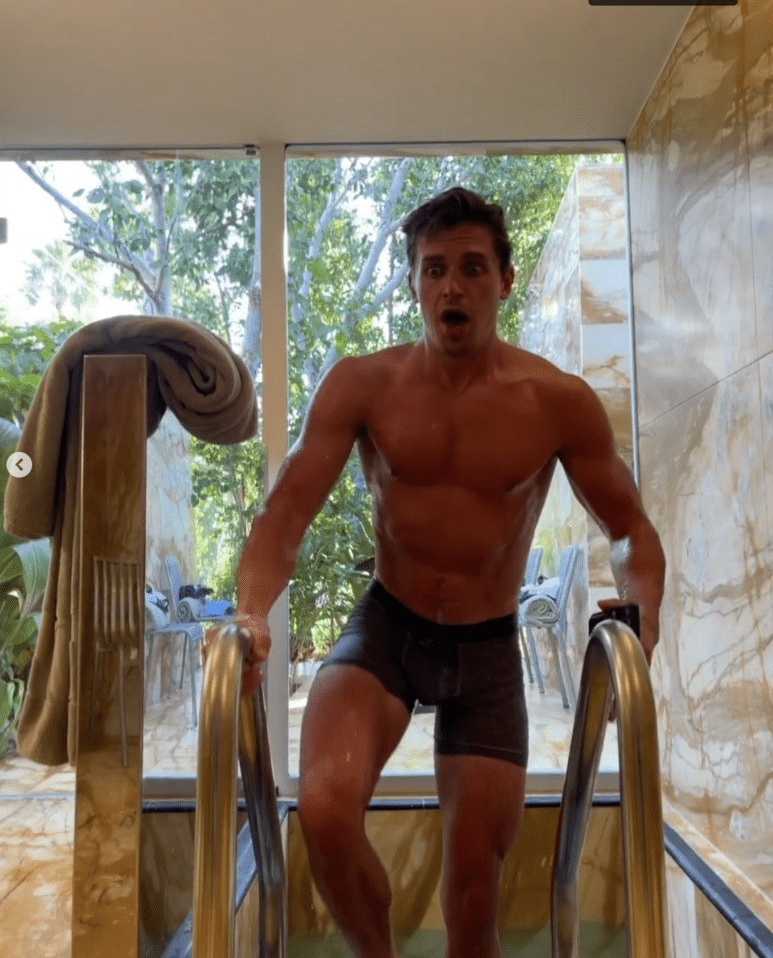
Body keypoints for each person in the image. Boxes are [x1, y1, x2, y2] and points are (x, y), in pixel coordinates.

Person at [209, 187, 666, 958]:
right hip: (388, 628)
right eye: (433, 269)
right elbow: (282, 518)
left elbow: (629, 529)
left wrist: (640, 622)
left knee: (474, 892)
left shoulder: (555, 402)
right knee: (323, 809)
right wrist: (250, 612)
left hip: (487, 648)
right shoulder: (364, 385)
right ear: (415, 281)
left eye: (472, 267)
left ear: (503, 281)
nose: (451, 285)